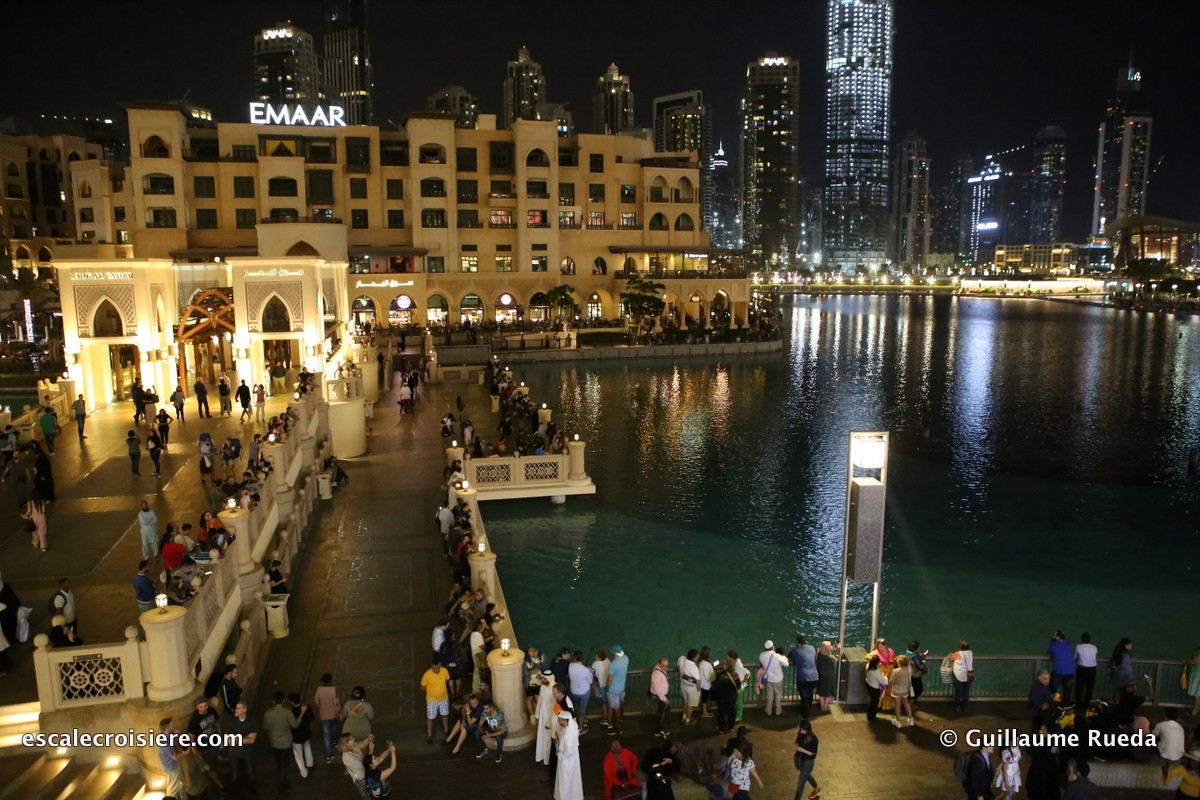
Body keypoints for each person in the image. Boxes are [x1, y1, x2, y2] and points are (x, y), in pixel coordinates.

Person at [263, 691, 301, 790]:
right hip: (286, 742)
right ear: (283, 700)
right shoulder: (287, 712)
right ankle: (283, 781)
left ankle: (280, 775)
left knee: (279, 761)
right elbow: (295, 725)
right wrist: (300, 716)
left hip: (274, 742)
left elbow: (265, 727)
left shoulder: (268, 713)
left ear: (273, 701)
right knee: (285, 762)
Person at [420, 656, 451, 743]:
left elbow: (446, 681)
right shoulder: (426, 675)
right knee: (430, 717)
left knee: (444, 715)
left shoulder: (444, 671)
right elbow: (422, 688)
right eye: (434, 668)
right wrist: (432, 692)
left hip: (444, 698)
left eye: (437, 668)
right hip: (431, 700)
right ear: (431, 667)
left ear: (440, 666)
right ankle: (429, 735)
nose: (436, 670)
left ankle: (446, 730)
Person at [226, 701, 257, 787]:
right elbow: (228, 741)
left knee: (251, 772)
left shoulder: (251, 721)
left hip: (247, 751)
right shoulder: (231, 722)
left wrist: (235, 739)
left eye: (238, 708)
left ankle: (253, 788)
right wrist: (245, 738)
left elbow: (252, 740)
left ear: (244, 710)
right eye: (236, 708)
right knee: (235, 773)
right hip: (234, 752)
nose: (236, 710)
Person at [554, 710, 584, 800]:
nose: (558, 721)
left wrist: (558, 754)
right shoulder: (572, 726)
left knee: (565, 781)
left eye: (559, 720)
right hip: (572, 760)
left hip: (566, 761)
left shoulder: (568, 734)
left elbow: (568, 752)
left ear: (564, 720)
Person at [313, 673, 341, 763]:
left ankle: (329, 754)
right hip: (333, 713)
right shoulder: (333, 690)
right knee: (335, 728)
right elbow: (337, 703)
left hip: (324, 715)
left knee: (326, 734)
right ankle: (335, 742)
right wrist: (340, 713)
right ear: (330, 680)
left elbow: (316, 701)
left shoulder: (319, 689)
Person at [789, 636, 819, 721]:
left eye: (795, 642)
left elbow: (792, 658)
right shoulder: (812, 648)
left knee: (804, 697)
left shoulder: (796, 650)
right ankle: (808, 710)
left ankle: (805, 715)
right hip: (814, 676)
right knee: (810, 695)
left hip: (803, 677)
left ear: (798, 643)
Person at [794, 720, 821, 800]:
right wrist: (796, 745)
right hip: (799, 759)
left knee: (800, 784)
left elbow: (813, 753)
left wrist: (802, 750)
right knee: (806, 775)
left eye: (803, 730)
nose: (801, 731)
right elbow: (797, 742)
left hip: (808, 762)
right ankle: (816, 788)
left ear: (808, 730)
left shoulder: (814, 739)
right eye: (801, 729)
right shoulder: (801, 733)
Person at [568, 650, 594, 731]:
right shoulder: (585, 670)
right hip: (584, 693)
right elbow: (590, 681)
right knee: (582, 710)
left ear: (574, 658)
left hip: (574, 691)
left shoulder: (570, 665)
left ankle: (575, 724)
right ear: (583, 658)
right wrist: (591, 672)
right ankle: (581, 728)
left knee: (576, 708)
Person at [606, 645, 629, 736]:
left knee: (616, 709)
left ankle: (618, 728)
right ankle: (621, 718)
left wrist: (607, 687)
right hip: (622, 687)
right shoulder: (626, 658)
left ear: (614, 653)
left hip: (613, 689)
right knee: (621, 703)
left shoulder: (613, 664)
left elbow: (609, 679)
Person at [1047, 630, 1075, 701]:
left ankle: (1050, 706)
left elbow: (1049, 654)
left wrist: (1052, 641)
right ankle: (1065, 707)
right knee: (1067, 692)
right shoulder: (1069, 644)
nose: (1053, 636)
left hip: (1058, 671)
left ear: (1057, 637)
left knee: (1052, 690)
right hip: (1070, 671)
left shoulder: (1053, 644)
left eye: (1054, 635)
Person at [758, 640, 785, 717]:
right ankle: (778, 711)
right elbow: (786, 664)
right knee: (778, 695)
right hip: (778, 679)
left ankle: (768, 711)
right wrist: (783, 658)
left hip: (768, 679)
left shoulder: (762, 655)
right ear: (773, 647)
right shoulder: (777, 656)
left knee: (770, 695)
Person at [949, 638, 975, 712]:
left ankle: (957, 707)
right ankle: (965, 707)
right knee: (966, 692)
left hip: (959, 675)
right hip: (969, 675)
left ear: (960, 647)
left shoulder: (958, 654)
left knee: (958, 692)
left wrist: (953, 653)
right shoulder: (970, 652)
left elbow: (950, 658)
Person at [677, 649, 701, 727]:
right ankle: (688, 720)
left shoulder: (682, 659)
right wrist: (698, 689)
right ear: (694, 658)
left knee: (686, 702)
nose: (698, 657)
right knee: (691, 705)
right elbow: (698, 681)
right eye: (697, 656)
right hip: (692, 689)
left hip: (683, 685)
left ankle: (684, 717)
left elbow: (678, 666)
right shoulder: (694, 667)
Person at [890, 654, 915, 727]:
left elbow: (892, 681)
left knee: (898, 705)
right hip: (905, 689)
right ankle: (911, 719)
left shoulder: (895, 671)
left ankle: (898, 722)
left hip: (896, 690)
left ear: (899, 663)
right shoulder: (910, 669)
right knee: (906, 703)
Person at [1074, 632, 1098, 707]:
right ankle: (1086, 704)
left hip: (1082, 669)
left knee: (1079, 686)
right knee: (1090, 687)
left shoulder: (1078, 647)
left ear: (1082, 640)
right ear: (1090, 640)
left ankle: (1079, 703)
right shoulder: (1094, 647)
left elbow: (1075, 658)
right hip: (1092, 669)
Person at [650, 656, 671, 738]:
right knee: (662, 713)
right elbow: (658, 689)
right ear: (659, 664)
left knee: (662, 712)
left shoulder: (658, 669)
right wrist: (664, 699)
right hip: (661, 696)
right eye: (663, 666)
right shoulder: (657, 674)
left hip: (660, 696)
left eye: (666, 666)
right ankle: (660, 730)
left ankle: (660, 729)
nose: (665, 668)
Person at [1028, 670, 1054, 734]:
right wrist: (1041, 707)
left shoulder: (1042, 685)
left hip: (1041, 711)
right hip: (1039, 712)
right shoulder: (1037, 688)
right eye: (1045, 679)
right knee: (1038, 727)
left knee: (1037, 727)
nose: (1047, 680)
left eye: (1048, 679)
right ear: (1038, 678)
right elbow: (1033, 700)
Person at [865, 655, 887, 722]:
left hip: (869, 685)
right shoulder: (876, 672)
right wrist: (884, 677)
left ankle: (869, 714)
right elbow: (882, 682)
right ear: (877, 663)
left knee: (872, 701)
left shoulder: (868, 666)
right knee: (875, 702)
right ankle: (872, 716)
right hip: (875, 688)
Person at [1184, 642, 1200, 716]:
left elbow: (1194, 661)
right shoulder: (1197, 651)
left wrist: (1186, 662)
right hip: (1196, 674)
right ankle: (1196, 708)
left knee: (1197, 693)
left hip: (1198, 674)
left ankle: (1195, 709)